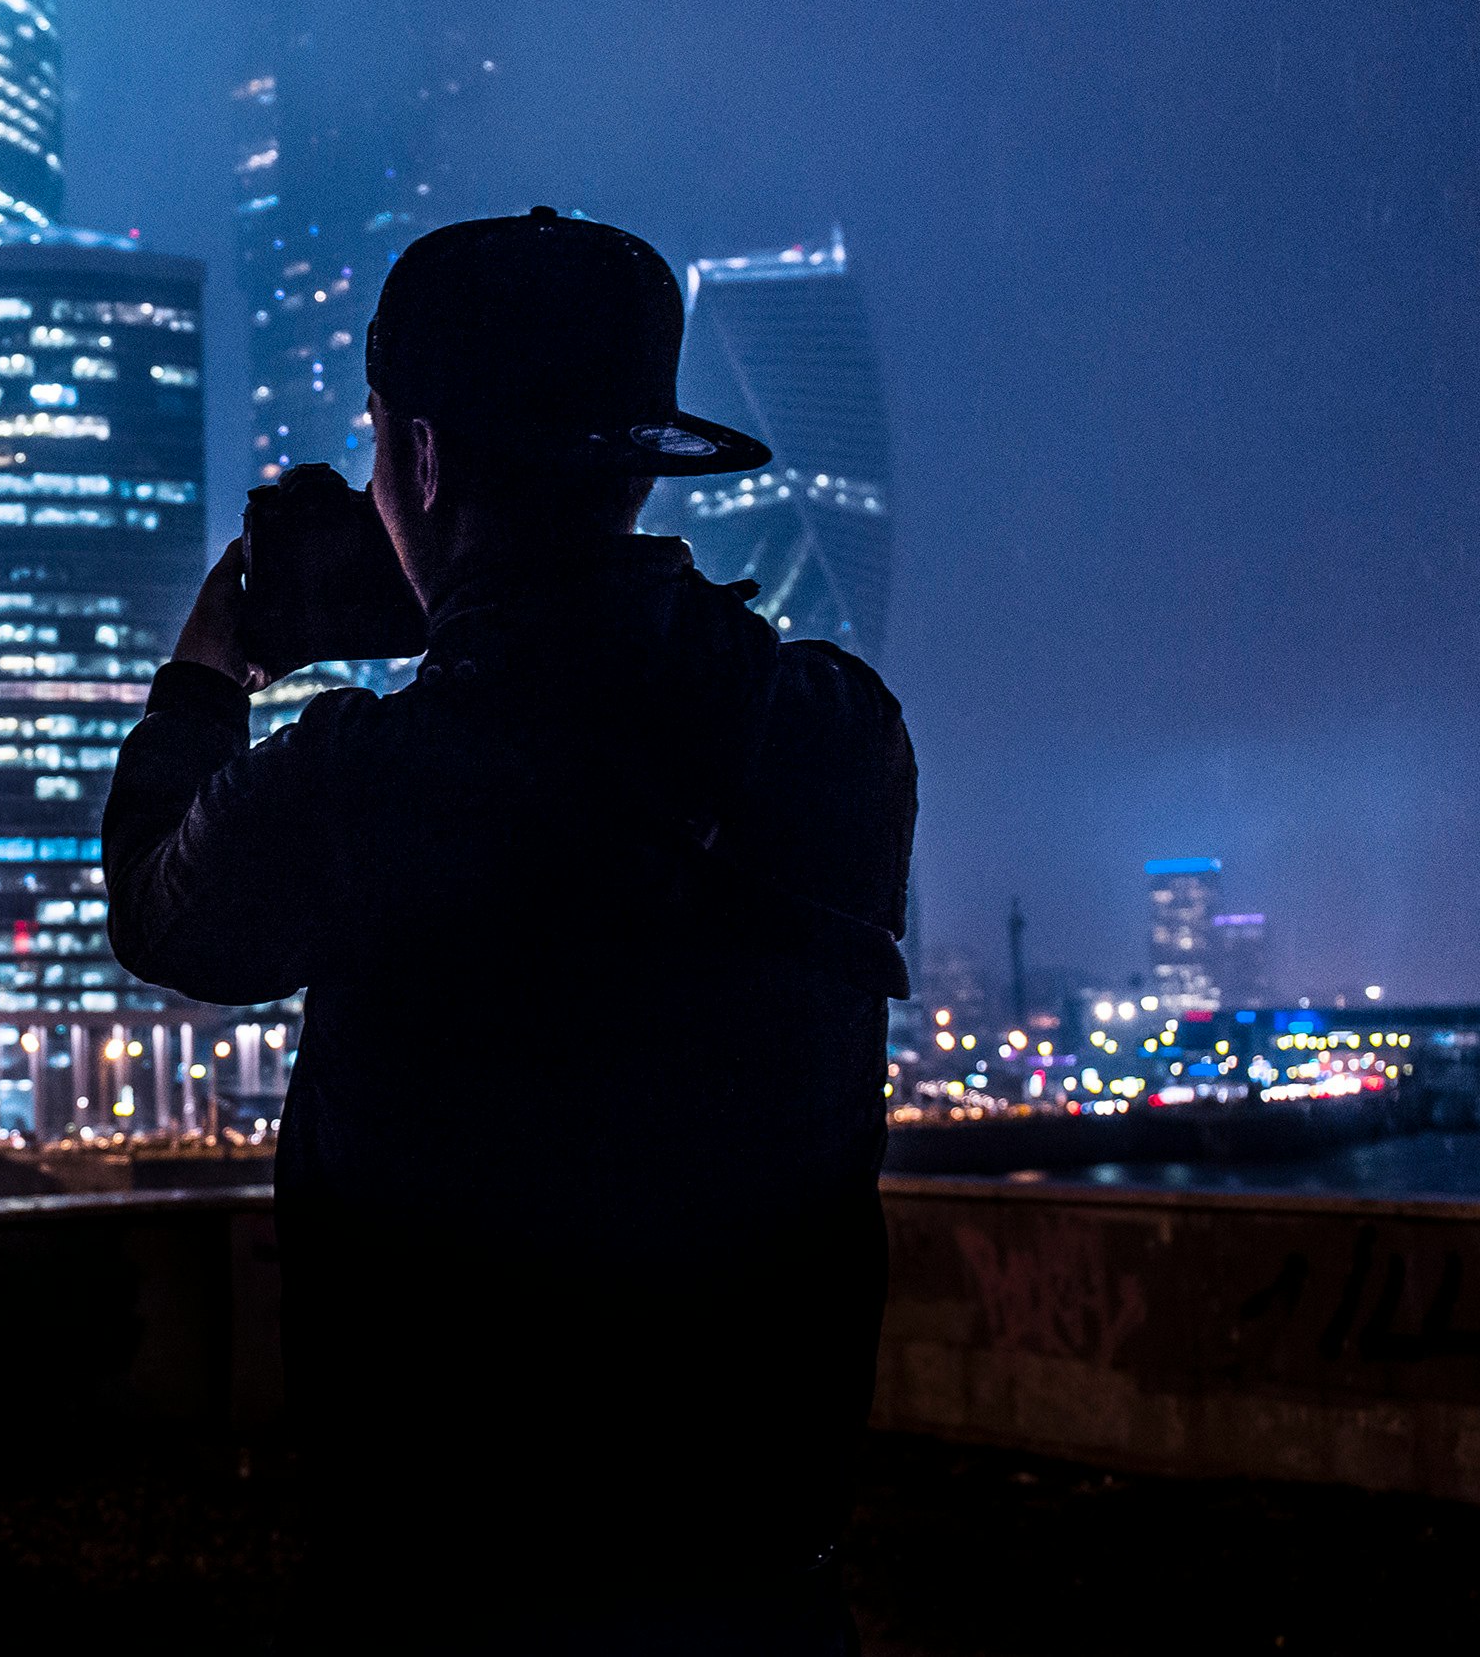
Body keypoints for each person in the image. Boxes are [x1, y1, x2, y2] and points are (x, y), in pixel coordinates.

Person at [103, 210, 915, 1652]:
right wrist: (471, 614)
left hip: (452, 1599)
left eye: (382, 453)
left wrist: (212, 661)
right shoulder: (842, 737)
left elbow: (161, 911)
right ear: (642, 456)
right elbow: (607, 728)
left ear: (417, 458)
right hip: (762, 1588)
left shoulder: (365, 782)